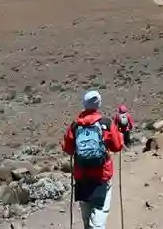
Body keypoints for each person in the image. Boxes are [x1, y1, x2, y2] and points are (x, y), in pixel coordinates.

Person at [62, 90, 124, 229]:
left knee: (86, 215)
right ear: (98, 104)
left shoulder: (75, 126)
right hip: (102, 175)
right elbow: (117, 147)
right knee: (98, 217)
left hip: (82, 176)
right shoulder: (106, 123)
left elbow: (68, 149)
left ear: (84, 104)